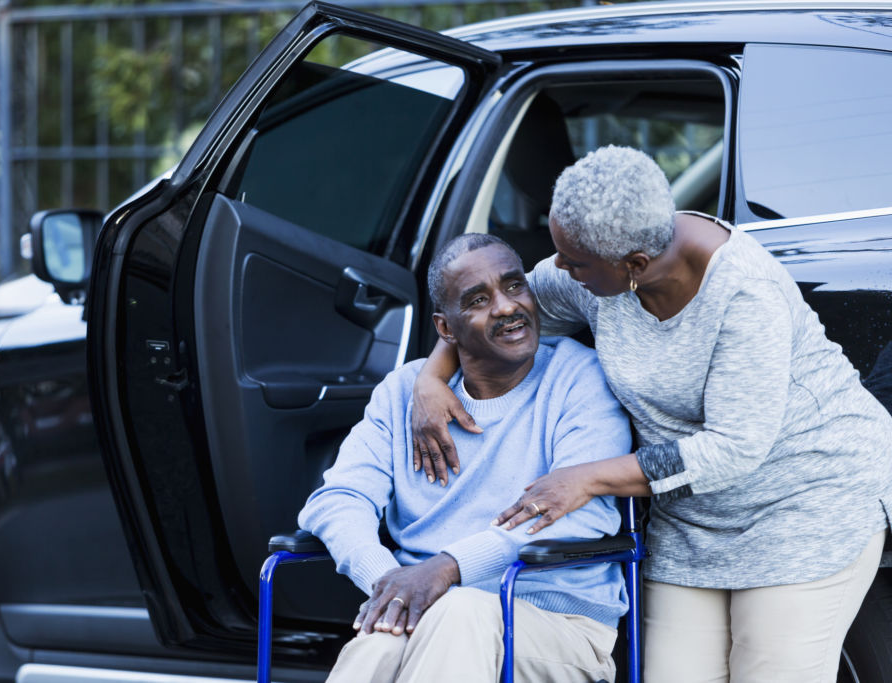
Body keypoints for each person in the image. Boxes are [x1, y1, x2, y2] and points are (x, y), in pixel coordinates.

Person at [411, 145, 892, 682]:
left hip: (804, 504)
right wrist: (431, 378)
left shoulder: (744, 295)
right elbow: (506, 314)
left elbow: (732, 449)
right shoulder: (597, 267)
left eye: (572, 261)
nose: (557, 270)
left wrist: (589, 477)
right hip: (692, 522)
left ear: (634, 265)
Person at [298, 233, 632, 683]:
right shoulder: (404, 393)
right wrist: (392, 583)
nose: (506, 307)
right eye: (478, 299)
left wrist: (449, 568)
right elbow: (336, 499)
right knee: (379, 642)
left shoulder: (579, 378)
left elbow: (582, 516)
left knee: (459, 611)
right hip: (432, 611)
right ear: (446, 329)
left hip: (558, 625)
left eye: (515, 286)